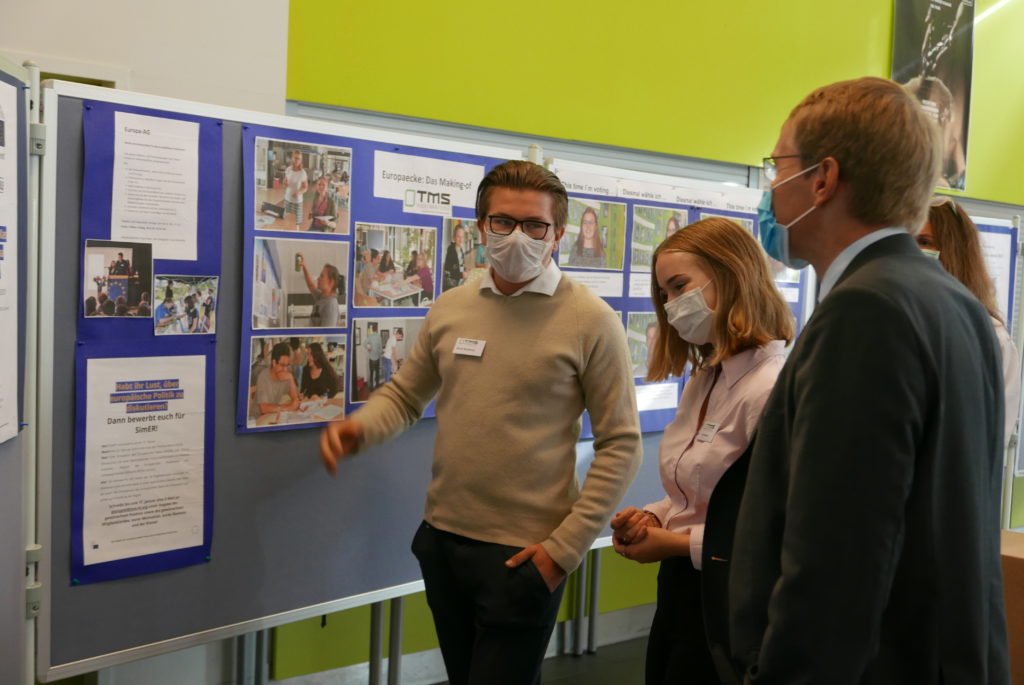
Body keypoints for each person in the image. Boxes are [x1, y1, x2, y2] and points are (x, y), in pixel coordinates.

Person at [719, 76, 1008, 683]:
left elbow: (838, 554)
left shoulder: (864, 309)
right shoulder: (953, 301)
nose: (771, 188)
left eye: (778, 165)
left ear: (822, 179)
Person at [319, 160, 641, 685]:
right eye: (503, 221)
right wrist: (361, 427)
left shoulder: (591, 320)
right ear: (480, 227)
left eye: (535, 225)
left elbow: (622, 443)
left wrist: (563, 552)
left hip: (526, 554)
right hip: (443, 540)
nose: (517, 236)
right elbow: (404, 396)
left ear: (558, 234)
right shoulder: (452, 307)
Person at [610, 217, 792, 685]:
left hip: (734, 598)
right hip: (684, 589)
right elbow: (696, 492)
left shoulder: (771, 388)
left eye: (680, 286)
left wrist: (673, 542)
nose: (672, 305)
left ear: (731, 276)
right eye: (664, 293)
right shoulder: (706, 377)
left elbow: (772, 530)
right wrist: (654, 516)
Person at [916, 195, 1022, 454]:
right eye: (908, 242)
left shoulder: (992, 338)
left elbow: (991, 437)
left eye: (925, 242)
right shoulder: (893, 321)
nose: (914, 252)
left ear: (953, 252)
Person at [252, 341, 300, 420]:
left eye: (287, 365)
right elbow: (263, 408)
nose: (285, 369)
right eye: (282, 365)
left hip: (273, 415)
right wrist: (288, 407)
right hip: (258, 419)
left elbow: (295, 400)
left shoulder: (285, 374)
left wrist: (291, 378)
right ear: (274, 362)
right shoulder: (263, 376)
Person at [297, 253, 343, 327]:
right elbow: (311, 285)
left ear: (331, 282)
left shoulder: (330, 306)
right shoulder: (321, 297)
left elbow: (326, 333)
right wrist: (304, 266)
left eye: (322, 276)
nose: (318, 278)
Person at [284, 149, 309, 229]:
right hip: (287, 199)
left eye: (299, 158)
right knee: (286, 221)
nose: (297, 160)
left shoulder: (303, 173)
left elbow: (305, 187)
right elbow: (285, 182)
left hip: (297, 202)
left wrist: (299, 192)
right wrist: (285, 183)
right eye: (295, 158)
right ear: (292, 158)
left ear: (301, 160)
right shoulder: (288, 169)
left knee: (296, 224)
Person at [442, 224, 468, 291]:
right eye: (458, 237)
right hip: (450, 283)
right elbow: (450, 270)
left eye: (462, 237)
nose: (461, 239)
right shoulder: (451, 250)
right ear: (454, 238)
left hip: (458, 279)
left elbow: (460, 265)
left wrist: (465, 269)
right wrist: (462, 274)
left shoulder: (461, 250)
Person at [364, 323, 382, 391]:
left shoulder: (370, 336)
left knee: (371, 373)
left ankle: (371, 388)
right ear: (376, 329)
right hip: (377, 358)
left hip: (371, 358)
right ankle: (377, 386)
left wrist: (369, 348)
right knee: (377, 372)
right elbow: (380, 348)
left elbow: (364, 344)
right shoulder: (379, 337)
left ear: (372, 329)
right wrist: (379, 354)